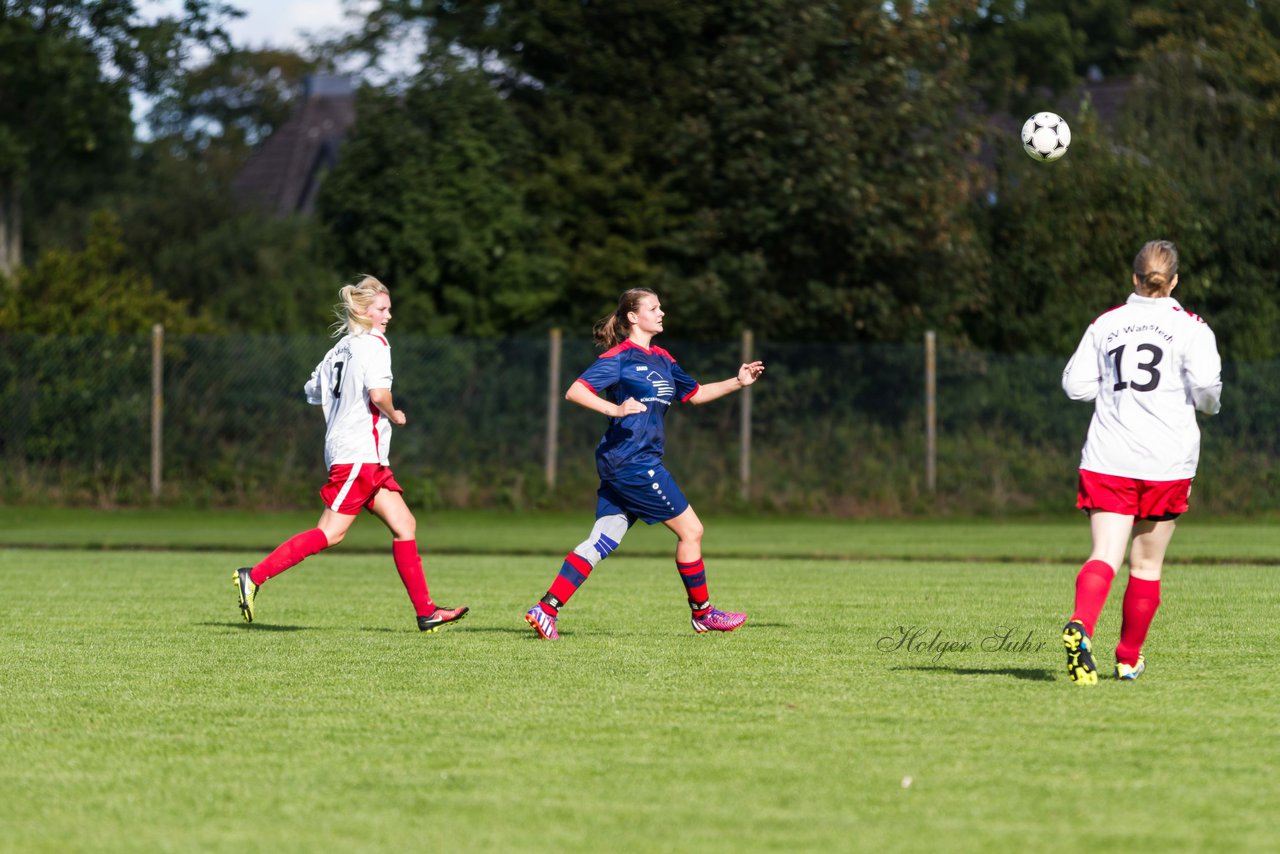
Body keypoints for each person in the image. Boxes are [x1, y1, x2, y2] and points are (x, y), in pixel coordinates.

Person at [524, 287, 765, 640]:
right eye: (654, 308)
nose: (662, 312)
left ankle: (545, 609)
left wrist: (738, 382)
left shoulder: (664, 359)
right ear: (633, 317)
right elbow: (575, 391)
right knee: (692, 531)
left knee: (602, 540)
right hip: (632, 462)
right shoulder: (620, 357)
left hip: (626, 461)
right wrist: (615, 408)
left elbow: (695, 395)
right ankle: (704, 614)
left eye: (661, 307)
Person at [233, 276, 468, 632]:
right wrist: (394, 413)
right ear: (363, 310)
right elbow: (378, 394)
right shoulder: (375, 344)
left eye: (389, 309)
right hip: (358, 454)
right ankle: (255, 575)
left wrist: (340, 407)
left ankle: (427, 612)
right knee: (330, 533)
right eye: (382, 309)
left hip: (360, 455)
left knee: (405, 525)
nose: (388, 316)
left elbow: (312, 391)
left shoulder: (337, 349)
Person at [1060, 240, 1221, 683]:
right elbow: (1207, 392)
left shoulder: (1107, 323)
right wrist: (1203, 402)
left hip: (1109, 456)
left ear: (1134, 278)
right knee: (1147, 566)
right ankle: (1128, 658)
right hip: (1166, 462)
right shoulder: (1192, 328)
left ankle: (1081, 624)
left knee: (1104, 555)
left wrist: (1114, 392)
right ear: (1173, 282)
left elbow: (1075, 387)